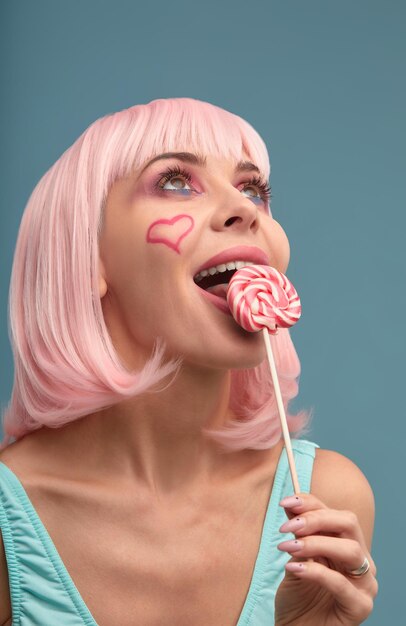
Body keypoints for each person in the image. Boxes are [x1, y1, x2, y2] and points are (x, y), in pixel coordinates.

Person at [0, 98, 377, 625]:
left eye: (253, 189)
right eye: (176, 182)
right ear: (88, 256)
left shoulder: (322, 500)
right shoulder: (8, 524)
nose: (245, 209)